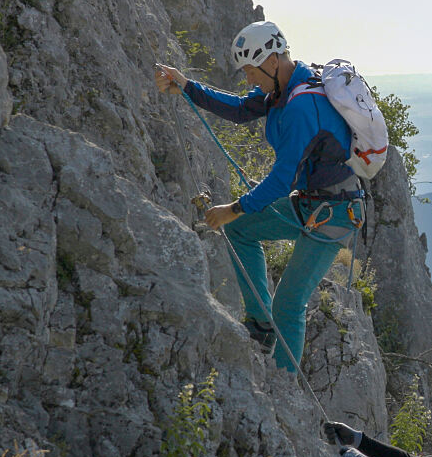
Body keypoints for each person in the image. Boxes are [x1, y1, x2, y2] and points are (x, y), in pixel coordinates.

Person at [154, 21, 362, 372]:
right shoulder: (286, 86)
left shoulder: (300, 107)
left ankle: (284, 394)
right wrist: (187, 87)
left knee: (290, 304)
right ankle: (261, 324)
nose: (249, 79)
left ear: (271, 60)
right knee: (240, 231)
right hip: (313, 204)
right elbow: (238, 110)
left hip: (336, 214)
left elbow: (281, 182)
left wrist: (234, 208)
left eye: (251, 71)